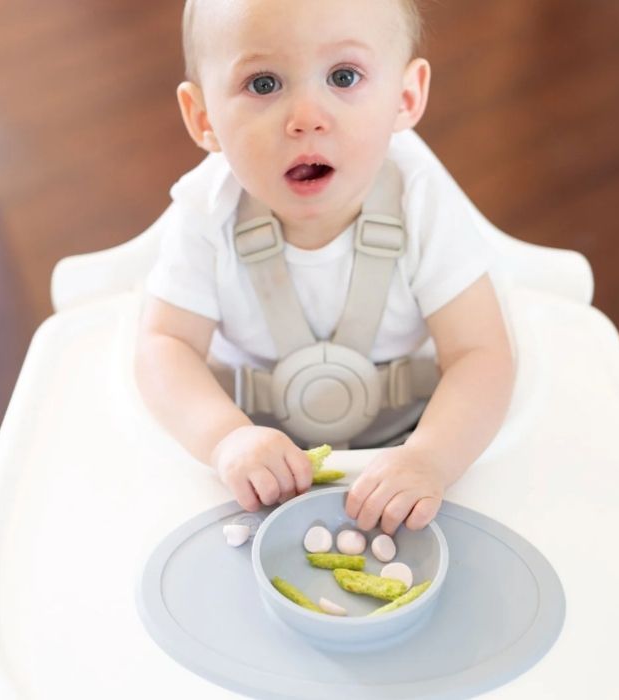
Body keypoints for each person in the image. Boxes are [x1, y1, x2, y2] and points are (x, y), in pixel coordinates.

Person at [134, 0, 515, 536]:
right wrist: (224, 439)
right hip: (255, 462)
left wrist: (431, 458)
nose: (307, 117)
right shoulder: (204, 212)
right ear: (203, 118)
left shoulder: (422, 204)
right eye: (264, 84)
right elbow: (163, 348)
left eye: (344, 76)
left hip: (406, 442)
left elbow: (483, 355)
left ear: (405, 98)